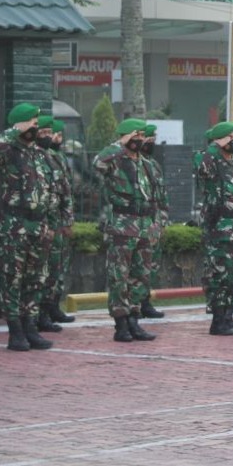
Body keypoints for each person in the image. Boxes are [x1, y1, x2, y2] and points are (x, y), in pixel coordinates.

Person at [0, 103, 55, 351]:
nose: (35, 126)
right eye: (30, 122)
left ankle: (31, 328)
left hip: (39, 224)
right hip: (15, 225)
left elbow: (48, 191)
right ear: (19, 124)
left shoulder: (38, 154)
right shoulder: (8, 152)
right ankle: (15, 331)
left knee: (35, 279)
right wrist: (13, 130)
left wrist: (49, 223)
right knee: (13, 278)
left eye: (36, 122)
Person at [93, 118, 158, 343]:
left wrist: (156, 224)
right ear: (125, 136)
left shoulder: (147, 165)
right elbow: (97, 162)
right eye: (135, 135)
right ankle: (121, 324)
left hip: (144, 226)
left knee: (140, 277)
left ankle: (134, 320)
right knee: (119, 276)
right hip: (122, 225)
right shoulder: (115, 161)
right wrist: (120, 144)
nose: (139, 139)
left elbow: (156, 197)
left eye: (142, 135)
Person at [195, 121, 233, 336]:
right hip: (220, 227)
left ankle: (229, 317)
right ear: (219, 140)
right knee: (219, 275)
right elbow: (201, 165)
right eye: (230, 137)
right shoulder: (209, 159)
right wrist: (214, 145)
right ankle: (218, 320)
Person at [36, 117, 76, 332]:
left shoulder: (57, 158)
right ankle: (41, 313)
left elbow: (65, 191)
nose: (55, 138)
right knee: (45, 269)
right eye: (51, 134)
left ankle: (52, 307)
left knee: (58, 267)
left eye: (57, 134)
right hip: (44, 221)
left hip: (57, 221)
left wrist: (67, 219)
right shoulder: (40, 157)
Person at [138, 123, 167, 318]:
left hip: (153, 221)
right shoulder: (132, 163)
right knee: (136, 266)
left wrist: (162, 221)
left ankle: (145, 301)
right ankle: (134, 304)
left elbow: (161, 196)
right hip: (137, 223)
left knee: (151, 265)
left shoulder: (153, 165)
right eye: (149, 140)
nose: (152, 144)